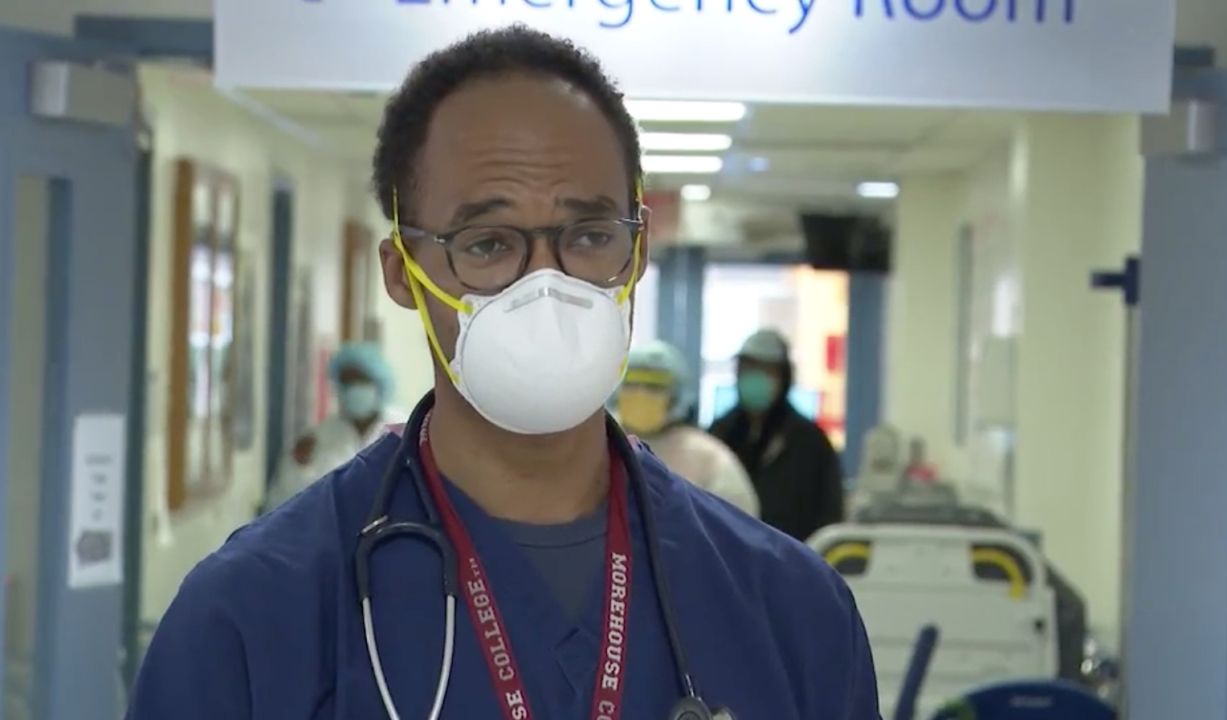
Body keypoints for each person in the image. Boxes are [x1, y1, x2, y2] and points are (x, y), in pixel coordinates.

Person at [127, 28, 879, 720]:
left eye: (589, 235)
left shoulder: (790, 611)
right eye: (487, 244)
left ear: (638, 253)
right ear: (403, 272)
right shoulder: (251, 617)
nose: (545, 286)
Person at [711, 329, 846, 542]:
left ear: (784, 377)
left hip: (791, 559)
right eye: (748, 368)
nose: (755, 378)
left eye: (766, 370)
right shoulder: (718, 434)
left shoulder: (810, 442)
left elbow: (829, 514)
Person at [614, 340, 759, 516]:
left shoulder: (709, 459)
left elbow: (740, 528)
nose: (641, 393)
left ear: (677, 395)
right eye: (632, 384)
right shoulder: (598, 445)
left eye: (654, 387)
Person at [262, 342, 400, 512]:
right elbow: (281, 504)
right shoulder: (317, 439)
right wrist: (300, 466)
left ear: (379, 383)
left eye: (360, 381)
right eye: (347, 382)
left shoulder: (405, 431)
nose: (353, 389)